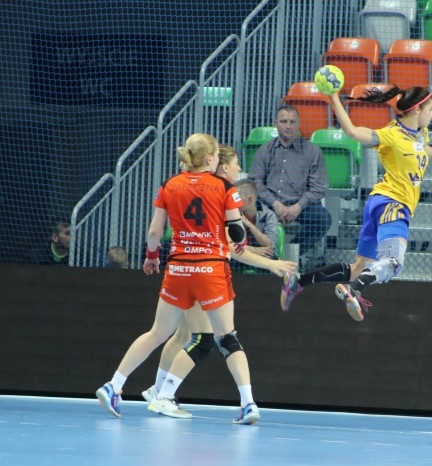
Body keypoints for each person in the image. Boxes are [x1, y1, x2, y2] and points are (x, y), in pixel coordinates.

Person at [96, 134, 281, 424]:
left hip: (178, 269)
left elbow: (155, 231)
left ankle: (114, 385)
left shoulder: (169, 185)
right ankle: (247, 403)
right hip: (210, 271)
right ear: (208, 159)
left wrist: (152, 256)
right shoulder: (223, 187)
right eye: (216, 157)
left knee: (158, 333)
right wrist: (241, 240)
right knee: (226, 338)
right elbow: (236, 231)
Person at [140, 145, 296, 419]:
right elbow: (234, 249)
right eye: (236, 165)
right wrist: (271, 264)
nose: (239, 169)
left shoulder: (204, 189)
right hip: (203, 273)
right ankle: (162, 394)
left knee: (182, 335)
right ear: (223, 166)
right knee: (206, 338)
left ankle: (157, 390)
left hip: (186, 270)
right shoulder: (218, 193)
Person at [280, 85, 432, 320]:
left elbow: (421, 146)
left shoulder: (421, 132)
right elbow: (353, 132)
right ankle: (354, 290)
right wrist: (333, 97)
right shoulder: (390, 135)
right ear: (417, 109)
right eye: (430, 110)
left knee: (358, 269)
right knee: (393, 263)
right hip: (393, 204)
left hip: (378, 203)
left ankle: (298, 282)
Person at [248, 104, 331, 269]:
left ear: (299, 124)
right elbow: (255, 183)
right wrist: (275, 204)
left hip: (301, 207)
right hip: (269, 205)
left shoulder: (312, 151)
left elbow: (319, 187)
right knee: (248, 212)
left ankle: (290, 253)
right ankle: (261, 258)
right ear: (276, 123)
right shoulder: (264, 150)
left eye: (292, 122)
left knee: (323, 219)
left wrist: (298, 207)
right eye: (284, 121)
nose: (288, 126)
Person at [234, 178, 279, 259]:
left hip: (262, 255)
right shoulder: (232, 214)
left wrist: (249, 224)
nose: (233, 201)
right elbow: (229, 245)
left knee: (271, 256)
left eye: (236, 198)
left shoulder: (269, 215)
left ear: (250, 199)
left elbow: (270, 245)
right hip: (240, 255)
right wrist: (254, 250)